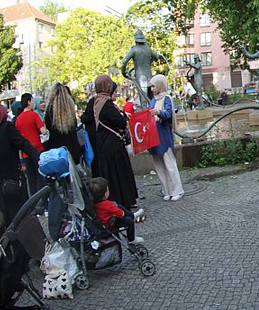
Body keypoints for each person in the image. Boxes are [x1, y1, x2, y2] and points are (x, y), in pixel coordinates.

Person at [93, 75, 141, 215]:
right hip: (112, 144)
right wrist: (123, 117)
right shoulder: (106, 104)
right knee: (118, 172)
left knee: (112, 172)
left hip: (104, 142)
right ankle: (124, 199)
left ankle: (118, 198)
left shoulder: (97, 101)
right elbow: (119, 121)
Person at [0, 104, 39, 226]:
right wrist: (38, 157)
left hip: (4, 184)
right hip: (12, 181)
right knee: (19, 218)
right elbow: (23, 143)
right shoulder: (7, 128)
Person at [148, 74, 184, 201]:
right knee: (159, 166)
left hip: (164, 135)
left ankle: (177, 190)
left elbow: (169, 114)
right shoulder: (153, 100)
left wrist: (158, 113)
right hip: (154, 136)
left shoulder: (167, 98)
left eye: (153, 86)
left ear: (159, 85)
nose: (151, 89)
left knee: (169, 164)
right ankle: (166, 190)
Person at [89, 177, 143, 244]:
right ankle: (131, 239)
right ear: (106, 194)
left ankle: (132, 215)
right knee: (129, 221)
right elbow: (121, 214)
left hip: (103, 222)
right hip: (110, 224)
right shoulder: (107, 204)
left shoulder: (94, 204)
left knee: (117, 206)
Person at [14, 93, 47, 199]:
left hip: (26, 153)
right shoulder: (34, 115)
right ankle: (44, 203)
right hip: (37, 150)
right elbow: (44, 131)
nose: (33, 103)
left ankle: (34, 203)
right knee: (41, 178)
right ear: (28, 102)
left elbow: (18, 141)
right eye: (32, 101)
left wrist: (21, 159)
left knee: (31, 180)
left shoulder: (18, 120)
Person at [44, 83, 82, 163]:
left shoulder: (50, 109)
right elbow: (74, 125)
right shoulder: (70, 107)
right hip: (72, 147)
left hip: (57, 149)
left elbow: (48, 126)